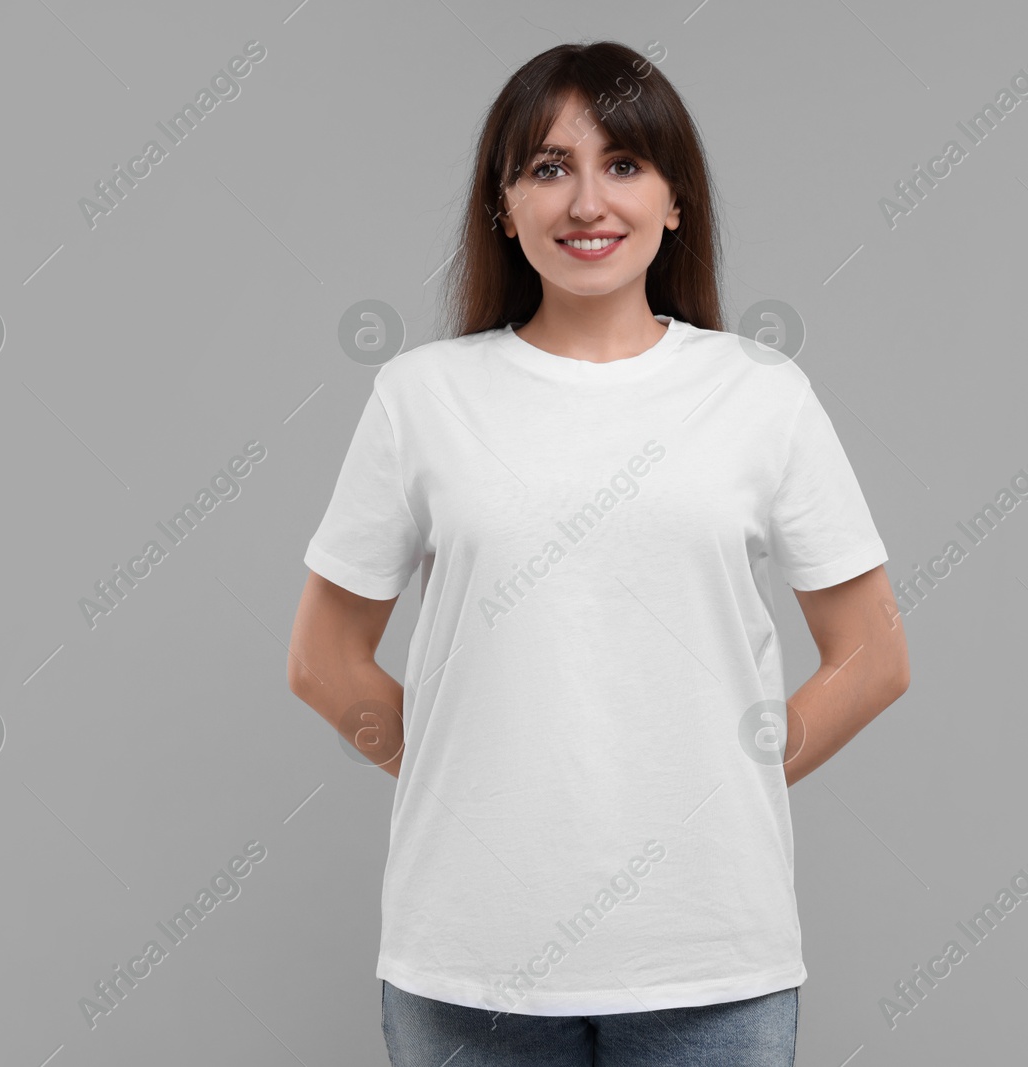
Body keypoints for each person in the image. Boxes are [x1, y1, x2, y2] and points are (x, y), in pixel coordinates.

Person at [287, 39, 910, 1067]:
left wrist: (719, 776)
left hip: (709, 954)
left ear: (675, 202)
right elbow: (321, 658)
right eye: (547, 168)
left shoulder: (759, 394)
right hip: (470, 955)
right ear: (503, 205)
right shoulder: (420, 397)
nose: (586, 201)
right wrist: (472, 773)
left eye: (623, 165)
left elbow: (872, 655)